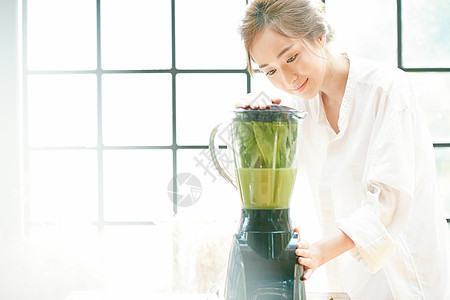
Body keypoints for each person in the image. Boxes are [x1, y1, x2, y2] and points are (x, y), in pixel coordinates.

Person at [236, 0, 450, 298]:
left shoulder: (386, 89)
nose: (287, 79)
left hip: (406, 275)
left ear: (318, 36)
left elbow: (389, 199)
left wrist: (320, 252)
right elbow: (270, 173)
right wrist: (256, 121)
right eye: (270, 71)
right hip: (349, 282)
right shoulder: (299, 103)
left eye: (292, 57)